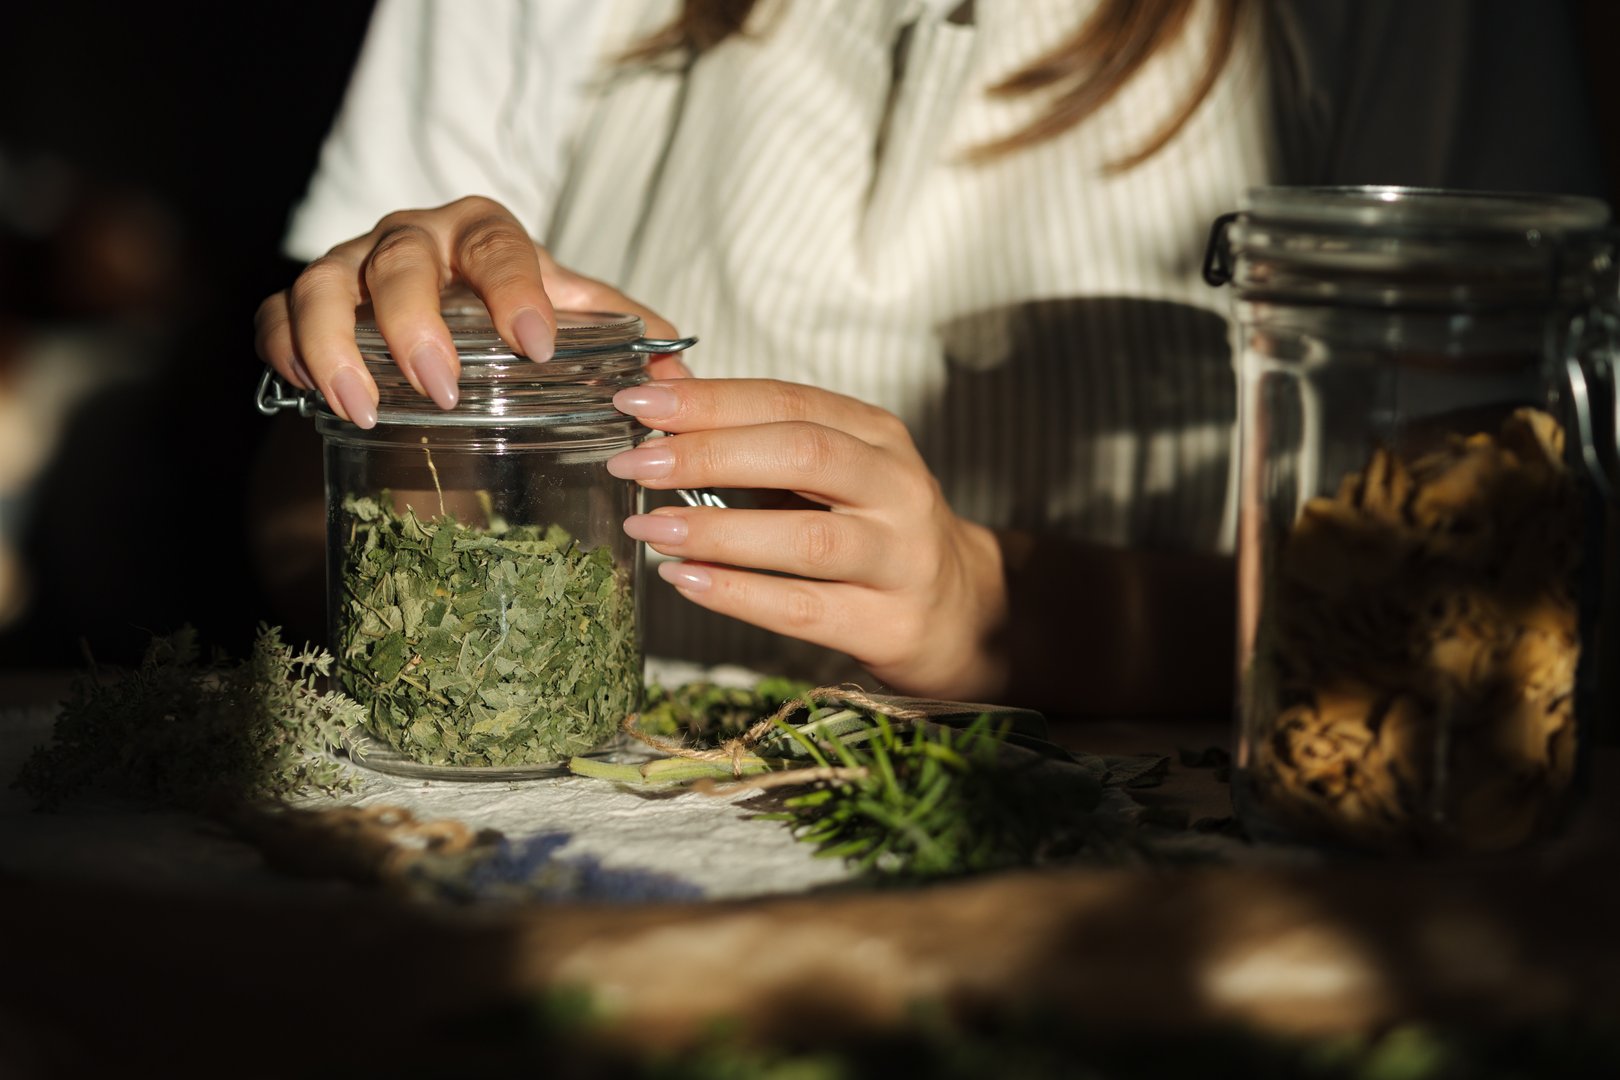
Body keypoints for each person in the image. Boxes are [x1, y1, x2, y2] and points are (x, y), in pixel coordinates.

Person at [255, 0, 1606, 714]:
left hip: (1134, 906)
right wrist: (439, 401)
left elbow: (1481, 627)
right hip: (575, 838)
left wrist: (1005, 611)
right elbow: (290, 520)